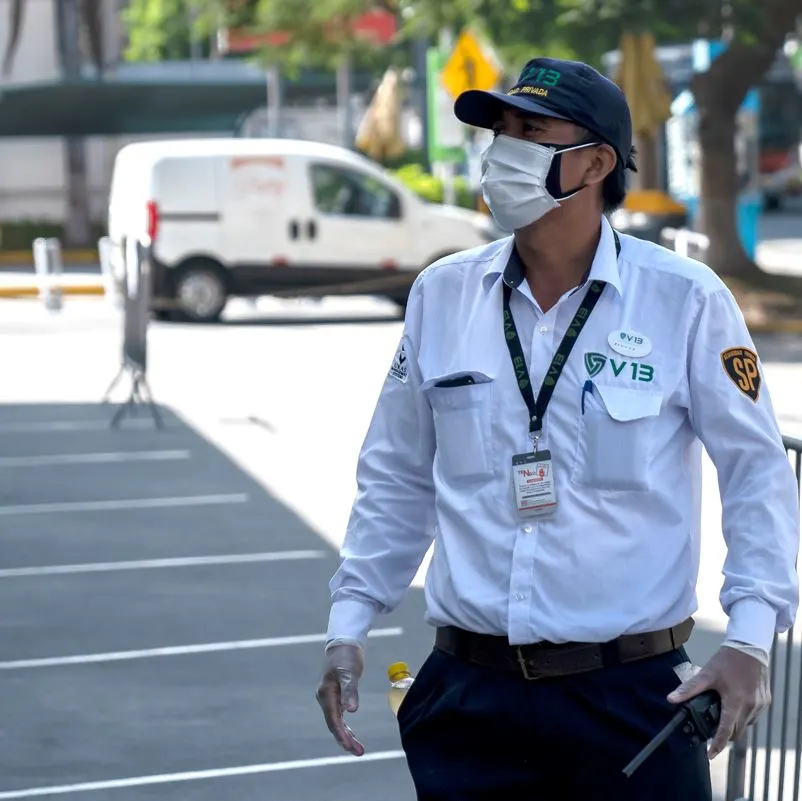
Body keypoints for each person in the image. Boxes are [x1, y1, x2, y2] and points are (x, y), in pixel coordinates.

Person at [315, 56, 800, 800]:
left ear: (597, 161)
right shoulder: (443, 295)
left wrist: (749, 641)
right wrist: (348, 621)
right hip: (469, 701)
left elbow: (756, 470)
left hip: (630, 703)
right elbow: (397, 475)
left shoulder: (683, 300)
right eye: (498, 130)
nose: (501, 150)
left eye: (529, 130)